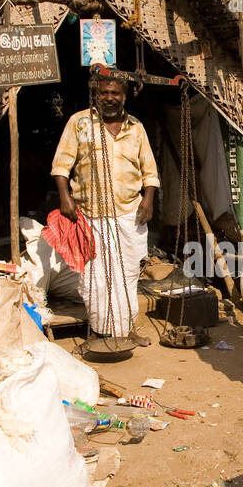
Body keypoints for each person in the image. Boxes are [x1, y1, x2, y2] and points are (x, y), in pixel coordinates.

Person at [51, 75, 159, 345]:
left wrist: (148, 200)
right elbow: (62, 165)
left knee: (128, 272)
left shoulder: (136, 128)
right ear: (95, 95)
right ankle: (98, 331)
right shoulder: (80, 123)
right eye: (103, 93)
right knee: (94, 275)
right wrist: (65, 198)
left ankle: (125, 329)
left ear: (124, 96)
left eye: (114, 93)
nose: (109, 98)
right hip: (90, 213)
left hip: (129, 213)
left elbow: (149, 170)